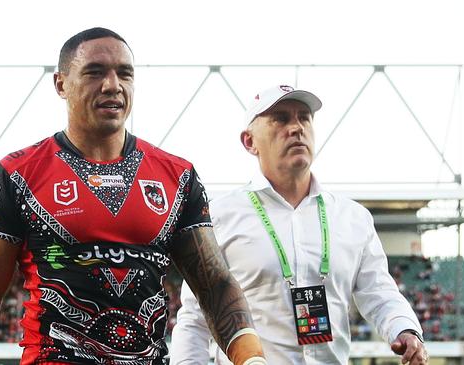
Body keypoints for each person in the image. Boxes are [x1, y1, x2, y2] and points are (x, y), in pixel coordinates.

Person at [0, 27, 266, 365]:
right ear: (61, 84)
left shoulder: (178, 176)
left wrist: (251, 359)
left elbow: (215, 285)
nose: (112, 84)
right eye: (95, 72)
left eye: (124, 73)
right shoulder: (16, 174)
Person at [170, 84, 429, 365]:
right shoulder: (219, 217)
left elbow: (378, 290)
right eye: (280, 118)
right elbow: (195, 318)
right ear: (249, 141)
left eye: (304, 117)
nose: (296, 128)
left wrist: (404, 327)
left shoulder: (353, 218)